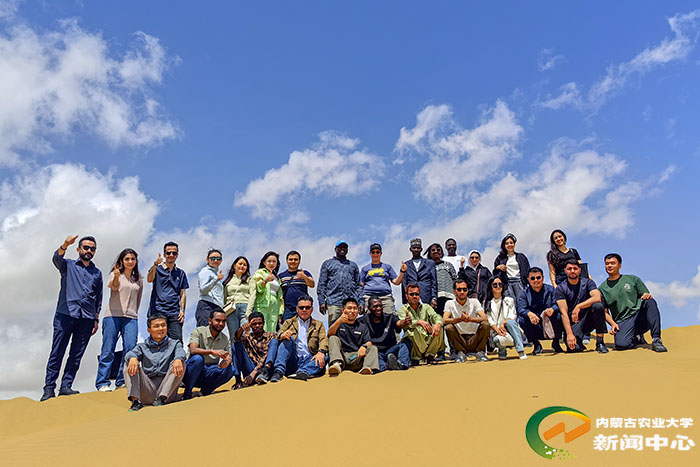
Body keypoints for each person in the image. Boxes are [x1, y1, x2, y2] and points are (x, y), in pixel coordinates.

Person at [42, 235, 103, 402]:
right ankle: (49, 388)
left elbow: (98, 297)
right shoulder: (68, 265)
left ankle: (66, 386)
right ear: (78, 249)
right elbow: (56, 258)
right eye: (86, 247)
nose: (89, 251)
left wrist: (96, 319)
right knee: (57, 352)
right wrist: (65, 244)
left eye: (92, 249)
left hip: (87, 318)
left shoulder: (97, 273)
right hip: (65, 314)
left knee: (76, 355)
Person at [599, 254, 667, 352]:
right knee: (621, 345)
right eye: (607, 264)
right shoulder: (602, 288)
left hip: (639, 315)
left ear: (619, 265)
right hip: (623, 320)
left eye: (612, 263)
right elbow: (604, 312)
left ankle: (656, 339)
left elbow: (645, 294)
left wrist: (646, 295)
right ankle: (636, 337)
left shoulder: (632, 279)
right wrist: (613, 324)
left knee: (650, 302)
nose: (609, 266)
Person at [96, 248, 143, 392]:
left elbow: (138, 298)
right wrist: (116, 276)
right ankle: (102, 382)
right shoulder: (115, 274)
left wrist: (134, 312)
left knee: (130, 348)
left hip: (131, 317)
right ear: (122, 261)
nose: (130, 261)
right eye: (127, 259)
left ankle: (122, 380)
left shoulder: (138, 279)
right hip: (112, 316)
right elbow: (114, 287)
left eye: (132, 259)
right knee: (108, 348)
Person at [123, 315, 185, 411]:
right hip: (147, 389)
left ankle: (161, 399)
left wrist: (178, 359)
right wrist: (133, 358)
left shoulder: (175, 344)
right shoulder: (142, 346)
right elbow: (131, 353)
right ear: (149, 330)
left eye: (163, 325)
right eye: (156, 326)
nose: (161, 328)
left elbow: (181, 352)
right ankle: (135, 402)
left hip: (167, 391)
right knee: (129, 362)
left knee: (180, 361)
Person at [555, 260, 609, 353]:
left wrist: (579, 306)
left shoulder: (588, 282)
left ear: (579, 270)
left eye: (575, 268)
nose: (572, 271)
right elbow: (563, 313)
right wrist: (569, 334)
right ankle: (579, 342)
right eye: (569, 269)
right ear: (565, 271)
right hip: (574, 322)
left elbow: (597, 297)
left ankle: (600, 342)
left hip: (589, 318)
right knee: (574, 349)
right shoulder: (561, 288)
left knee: (598, 306)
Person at [271, 295, 328, 382]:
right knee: (287, 340)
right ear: (297, 309)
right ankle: (279, 371)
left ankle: (303, 372)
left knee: (326, 356)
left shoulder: (318, 324)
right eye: (301, 308)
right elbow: (278, 336)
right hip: (294, 360)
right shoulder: (289, 322)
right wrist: (283, 335)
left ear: (312, 309)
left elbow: (324, 339)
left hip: (309, 359)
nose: (304, 310)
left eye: (307, 307)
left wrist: (321, 352)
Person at [182, 309, 235, 400]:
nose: (221, 324)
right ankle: (187, 392)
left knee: (231, 369)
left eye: (223, 321)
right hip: (192, 372)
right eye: (217, 320)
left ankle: (206, 391)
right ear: (210, 321)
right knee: (198, 359)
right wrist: (212, 352)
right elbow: (193, 350)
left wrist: (228, 360)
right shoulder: (198, 331)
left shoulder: (224, 338)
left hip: (209, 372)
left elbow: (229, 355)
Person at [147, 241, 189, 342]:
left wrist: (182, 311)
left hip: (174, 312)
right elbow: (149, 279)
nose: (171, 255)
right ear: (164, 254)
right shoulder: (157, 269)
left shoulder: (181, 273)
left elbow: (182, 293)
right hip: (158, 311)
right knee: (158, 340)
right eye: (168, 253)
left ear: (177, 255)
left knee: (177, 341)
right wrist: (155, 264)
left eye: (174, 253)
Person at [517, 267, 564, 355]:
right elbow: (521, 309)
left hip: (549, 321)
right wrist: (529, 314)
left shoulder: (551, 290)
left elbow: (558, 304)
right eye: (532, 278)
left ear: (542, 278)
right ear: (528, 279)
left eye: (538, 277)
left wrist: (552, 309)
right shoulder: (524, 293)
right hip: (535, 323)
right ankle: (536, 344)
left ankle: (556, 343)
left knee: (559, 315)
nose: (536, 280)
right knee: (522, 319)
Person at [327, 298, 378, 375]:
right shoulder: (336, 323)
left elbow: (369, 342)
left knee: (373, 348)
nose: (352, 311)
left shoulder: (362, 326)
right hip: (342, 358)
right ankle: (336, 365)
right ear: (343, 310)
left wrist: (364, 346)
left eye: (355, 308)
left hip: (356, 356)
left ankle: (367, 369)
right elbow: (330, 334)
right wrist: (339, 321)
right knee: (333, 338)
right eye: (349, 308)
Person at [443, 279, 490, 362]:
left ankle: (480, 352)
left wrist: (470, 319)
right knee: (448, 327)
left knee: (485, 324)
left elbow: (485, 318)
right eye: (459, 289)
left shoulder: (474, 302)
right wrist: (460, 319)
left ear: (467, 291)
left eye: (464, 289)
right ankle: (460, 353)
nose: (462, 292)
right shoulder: (449, 303)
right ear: (454, 291)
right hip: (460, 339)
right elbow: (444, 320)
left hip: (474, 338)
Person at [360, 296, 413, 371]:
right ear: (368, 308)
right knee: (375, 358)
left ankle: (401, 364)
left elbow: (399, 323)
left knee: (406, 343)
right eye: (375, 306)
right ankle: (387, 366)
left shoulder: (390, 317)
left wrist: (404, 322)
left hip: (390, 351)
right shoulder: (362, 321)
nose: (379, 308)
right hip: (376, 353)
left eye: (380, 306)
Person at [317, 241, 363, 326]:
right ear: (335, 249)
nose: (343, 249)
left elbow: (358, 286)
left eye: (345, 247)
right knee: (334, 328)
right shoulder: (327, 263)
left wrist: (361, 302)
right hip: (333, 302)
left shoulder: (353, 265)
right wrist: (321, 301)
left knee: (350, 328)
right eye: (340, 247)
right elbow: (322, 284)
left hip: (350, 304)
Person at [397, 283, 445, 364]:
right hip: (415, 344)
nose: (414, 296)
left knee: (439, 327)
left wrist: (437, 324)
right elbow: (405, 323)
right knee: (410, 332)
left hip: (427, 339)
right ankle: (415, 358)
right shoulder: (402, 309)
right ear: (406, 296)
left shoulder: (426, 307)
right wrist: (418, 322)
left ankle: (430, 356)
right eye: (411, 294)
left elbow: (436, 316)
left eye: (417, 294)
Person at [484, 277, 527, 360]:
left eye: (500, 284)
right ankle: (502, 351)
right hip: (496, 331)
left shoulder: (509, 300)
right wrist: (498, 330)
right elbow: (489, 319)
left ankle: (520, 350)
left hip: (511, 329)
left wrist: (503, 324)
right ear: (490, 287)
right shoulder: (487, 303)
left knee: (511, 322)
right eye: (495, 285)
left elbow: (512, 315)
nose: (498, 286)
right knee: (497, 339)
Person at [232, 311, 278, 387]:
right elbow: (237, 338)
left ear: (263, 323)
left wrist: (255, 372)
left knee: (275, 341)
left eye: (260, 323)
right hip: (251, 369)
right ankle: (238, 380)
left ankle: (264, 373)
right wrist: (242, 329)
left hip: (266, 370)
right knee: (236, 345)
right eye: (254, 324)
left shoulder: (271, 336)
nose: (257, 326)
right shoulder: (248, 337)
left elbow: (267, 355)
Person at [360, 243, 405, 315]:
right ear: (370, 253)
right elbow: (361, 285)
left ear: (381, 253)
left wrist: (402, 271)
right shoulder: (365, 268)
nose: (375, 254)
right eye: (373, 252)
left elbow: (396, 282)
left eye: (377, 252)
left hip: (386, 297)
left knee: (390, 317)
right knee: (368, 318)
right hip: (369, 297)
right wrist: (360, 301)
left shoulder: (387, 267)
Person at [222, 256, 256, 341]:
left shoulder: (250, 279)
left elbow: (253, 295)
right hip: (231, 310)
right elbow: (224, 297)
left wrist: (249, 311)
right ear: (234, 265)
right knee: (234, 337)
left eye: (245, 265)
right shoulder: (228, 281)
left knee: (247, 335)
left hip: (245, 308)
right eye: (240, 264)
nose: (242, 266)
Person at [279, 250, 315, 322]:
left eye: (295, 259)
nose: (293, 261)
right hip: (287, 309)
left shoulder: (305, 273)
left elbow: (312, 284)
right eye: (291, 259)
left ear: (299, 261)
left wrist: (304, 277)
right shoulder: (281, 276)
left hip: (303, 308)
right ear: (287, 261)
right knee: (288, 328)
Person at [401, 238, 437, 309]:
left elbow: (434, 282)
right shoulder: (406, 265)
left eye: (418, 248)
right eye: (414, 248)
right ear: (410, 249)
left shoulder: (430, 263)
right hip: (411, 298)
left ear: (421, 249)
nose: (416, 250)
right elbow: (404, 283)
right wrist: (405, 300)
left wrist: (434, 298)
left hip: (426, 297)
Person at [253, 251, 284, 332]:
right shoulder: (260, 273)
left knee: (273, 325)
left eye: (274, 261)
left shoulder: (277, 277)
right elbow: (258, 288)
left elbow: (280, 296)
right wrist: (266, 280)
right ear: (264, 262)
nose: (271, 263)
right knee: (263, 325)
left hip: (275, 304)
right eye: (269, 261)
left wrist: (280, 312)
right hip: (263, 303)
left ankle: (272, 340)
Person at [493, 233, 530, 301]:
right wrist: (498, 268)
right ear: (504, 246)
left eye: (511, 243)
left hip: (520, 282)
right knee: (510, 302)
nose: (509, 245)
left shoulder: (521, 257)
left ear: (514, 244)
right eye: (507, 243)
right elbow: (495, 273)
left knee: (521, 302)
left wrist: (526, 282)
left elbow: (527, 271)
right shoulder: (500, 258)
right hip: (507, 283)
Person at [426, 243, 457, 316]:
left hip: (450, 296)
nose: (436, 251)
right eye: (433, 250)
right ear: (429, 253)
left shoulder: (448, 265)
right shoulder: (427, 267)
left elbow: (454, 279)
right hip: (436, 298)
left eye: (438, 250)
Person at [195, 249, 225, 326]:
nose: (215, 260)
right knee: (205, 332)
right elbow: (203, 291)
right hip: (207, 306)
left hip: (216, 308)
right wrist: (216, 280)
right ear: (207, 260)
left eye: (218, 258)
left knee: (214, 333)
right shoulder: (205, 272)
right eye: (212, 258)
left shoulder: (215, 273)